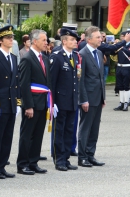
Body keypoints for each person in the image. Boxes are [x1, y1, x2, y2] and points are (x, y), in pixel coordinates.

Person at [0, 25, 21, 179]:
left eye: (12, 37)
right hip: (0, 103)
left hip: (11, 103)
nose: (11, 40)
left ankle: (2, 165)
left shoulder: (13, 57)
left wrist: (18, 102)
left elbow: (16, 82)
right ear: (0, 40)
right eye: (8, 38)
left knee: (7, 137)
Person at [17, 29, 50, 175]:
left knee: (38, 134)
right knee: (27, 134)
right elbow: (24, 84)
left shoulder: (45, 58)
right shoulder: (27, 58)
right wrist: (28, 105)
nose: (46, 42)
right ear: (34, 41)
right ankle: (23, 163)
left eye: (46, 40)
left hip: (43, 102)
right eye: (43, 40)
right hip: (32, 103)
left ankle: (33, 161)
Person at [50, 28, 79, 171]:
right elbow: (52, 82)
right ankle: (59, 159)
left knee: (69, 131)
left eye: (75, 40)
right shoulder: (57, 57)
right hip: (60, 101)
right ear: (64, 41)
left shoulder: (75, 56)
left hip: (72, 100)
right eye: (72, 40)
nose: (75, 42)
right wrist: (52, 102)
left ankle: (66, 157)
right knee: (59, 130)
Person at [78, 26, 106, 168]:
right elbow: (81, 79)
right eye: (98, 37)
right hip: (88, 97)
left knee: (95, 128)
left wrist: (103, 96)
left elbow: (101, 77)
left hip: (98, 97)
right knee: (86, 127)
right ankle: (82, 156)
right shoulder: (82, 54)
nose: (101, 39)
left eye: (100, 37)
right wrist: (83, 99)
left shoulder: (99, 53)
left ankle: (90, 154)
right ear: (89, 39)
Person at [112, 32, 130, 111]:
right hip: (119, 66)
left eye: (124, 37)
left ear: (129, 37)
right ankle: (121, 103)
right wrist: (114, 46)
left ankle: (126, 103)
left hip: (127, 67)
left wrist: (122, 46)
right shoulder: (119, 45)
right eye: (122, 36)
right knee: (120, 86)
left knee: (126, 86)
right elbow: (112, 53)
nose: (122, 38)